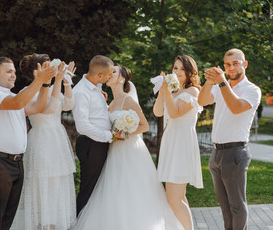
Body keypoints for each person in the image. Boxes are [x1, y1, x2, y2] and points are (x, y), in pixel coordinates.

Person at [71, 64, 184, 230]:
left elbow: (144, 125)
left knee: (131, 189)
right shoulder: (110, 102)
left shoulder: (128, 100)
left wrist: (124, 134)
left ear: (122, 79)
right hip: (114, 150)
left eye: (114, 72)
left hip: (130, 150)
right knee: (113, 189)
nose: (109, 74)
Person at [0, 56, 56, 230]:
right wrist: (39, 79)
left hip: (16, 162)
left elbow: (38, 108)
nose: (13, 75)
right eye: (8, 71)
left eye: (14, 71)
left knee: (7, 216)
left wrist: (45, 84)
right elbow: (17, 103)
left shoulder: (14, 96)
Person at [198, 48, 261, 230]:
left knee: (237, 205)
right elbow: (202, 101)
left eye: (235, 63)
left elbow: (236, 107)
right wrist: (210, 82)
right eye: (227, 64)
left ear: (244, 64)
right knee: (225, 207)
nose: (231, 67)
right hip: (216, 153)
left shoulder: (252, 90)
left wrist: (222, 82)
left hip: (235, 152)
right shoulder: (220, 86)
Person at [12, 54, 77, 230]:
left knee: (57, 184)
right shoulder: (27, 92)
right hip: (41, 141)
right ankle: (42, 225)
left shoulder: (53, 87)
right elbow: (49, 110)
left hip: (57, 139)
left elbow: (68, 105)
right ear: (36, 71)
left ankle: (54, 225)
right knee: (43, 185)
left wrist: (66, 81)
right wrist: (56, 81)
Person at [153, 55, 203, 230]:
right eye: (175, 68)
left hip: (182, 143)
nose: (178, 72)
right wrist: (162, 90)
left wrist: (166, 91)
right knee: (177, 197)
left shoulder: (193, 92)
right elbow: (158, 112)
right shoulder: (172, 91)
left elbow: (174, 114)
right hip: (171, 141)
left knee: (174, 199)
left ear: (190, 72)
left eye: (182, 69)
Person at [72, 55, 118, 216]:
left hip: (100, 142)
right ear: (99, 76)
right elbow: (83, 126)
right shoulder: (81, 92)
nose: (111, 76)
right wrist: (109, 136)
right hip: (91, 145)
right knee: (89, 188)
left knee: (98, 186)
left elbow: (98, 116)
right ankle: (80, 223)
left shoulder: (96, 87)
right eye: (109, 74)